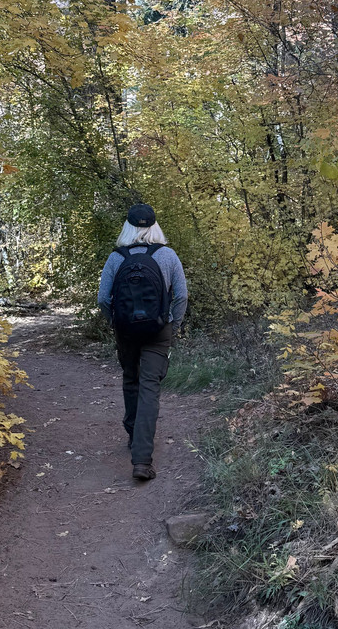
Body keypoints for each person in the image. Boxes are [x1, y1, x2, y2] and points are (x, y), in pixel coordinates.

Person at [98, 203, 188, 481]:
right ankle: (141, 459)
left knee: (130, 379)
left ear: (127, 227)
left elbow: (103, 299)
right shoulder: (168, 255)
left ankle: (133, 432)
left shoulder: (116, 257)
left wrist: (114, 321)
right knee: (150, 387)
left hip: (125, 329)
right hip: (159, 329)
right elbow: (181, 296)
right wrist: (174, 325)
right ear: (154, 226)